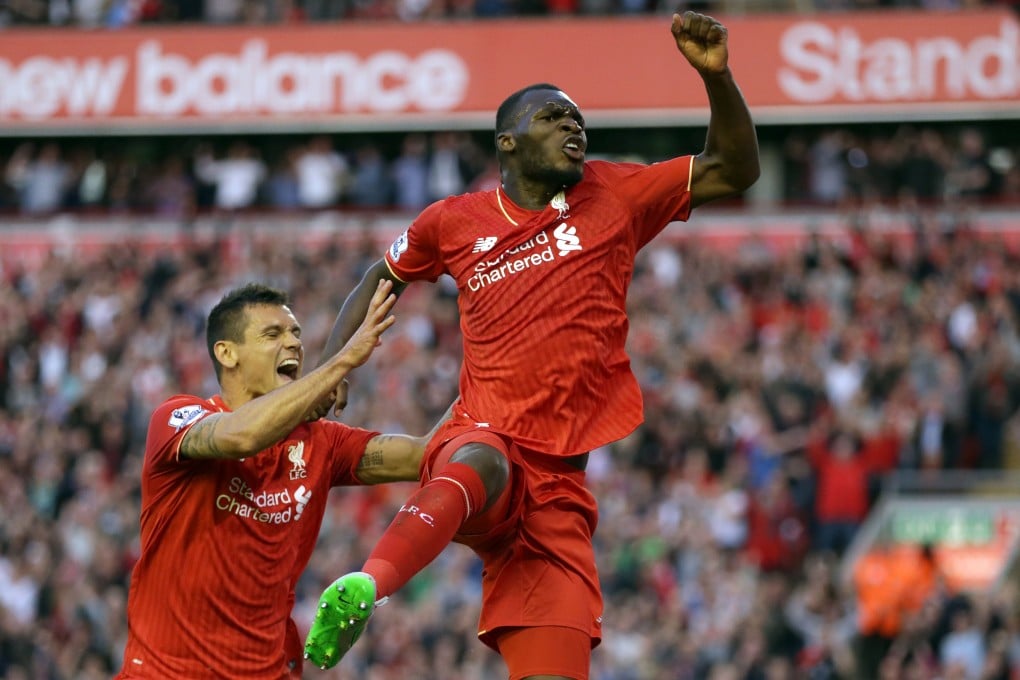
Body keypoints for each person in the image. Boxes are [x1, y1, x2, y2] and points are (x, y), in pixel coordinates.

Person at [304, 11, 760, 680]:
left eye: (579, 120)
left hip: (558, 493)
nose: (574, 128)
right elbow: (382, 275)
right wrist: (331, 368)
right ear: (509, 142)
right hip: (481, 439)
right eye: (553, 118)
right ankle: (367, 585)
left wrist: (717, 77)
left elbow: (734, 168)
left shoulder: (614, 194)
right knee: (482, 458)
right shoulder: (453, 221)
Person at [116, 280, 437, 679]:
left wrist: (493, 369)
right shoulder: (177, 418)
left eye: (296, 333)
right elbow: (241, 436)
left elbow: (426, 454)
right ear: (227, 353)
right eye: (273, 334)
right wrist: (340, 363)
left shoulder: (321, 442)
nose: (294, 343)